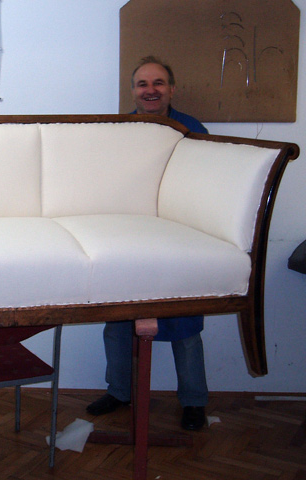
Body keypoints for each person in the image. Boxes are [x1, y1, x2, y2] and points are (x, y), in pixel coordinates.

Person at [86, 56, 208, 431]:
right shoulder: (117, 130)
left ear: (172, 89)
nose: (150, 90)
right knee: (118, 322)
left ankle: (194, 402)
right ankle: (120, 391)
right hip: (128, 239)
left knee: (185, 326)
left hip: (178, 239)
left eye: (158, 83)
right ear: (133, 91)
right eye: (143, 84)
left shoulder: (193, 130)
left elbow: (207, 186)